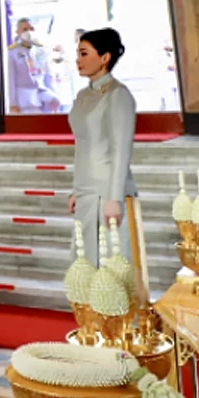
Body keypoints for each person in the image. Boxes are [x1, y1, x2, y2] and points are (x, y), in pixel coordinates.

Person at [67, 28, 137, 266]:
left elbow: (121, 149)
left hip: (108, 190)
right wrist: (77, 189)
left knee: (113, 264)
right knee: (84, 263)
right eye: (78, 53)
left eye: (84, 53)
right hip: (86, 190)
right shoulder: (82, 96)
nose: (78, 59)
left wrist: (114, 198)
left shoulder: (119, 95)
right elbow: (83, 145)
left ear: (105, 57)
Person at [7, 19, 60, 114]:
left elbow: (49, 75)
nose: (29, 32)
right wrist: (12, 103)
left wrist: (53, 93)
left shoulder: (40, 50)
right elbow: (11, 80)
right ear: (17, 32)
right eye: (25, 29)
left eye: (31, 28)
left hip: (41, 93)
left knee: (55, 102)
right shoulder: (12, 53)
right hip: (24, 97)